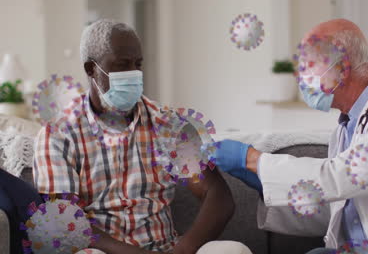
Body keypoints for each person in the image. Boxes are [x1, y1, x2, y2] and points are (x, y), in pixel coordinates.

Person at [214, 19, 368, 254]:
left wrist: (254, 160)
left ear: (342, 68)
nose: (300, 76)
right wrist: (262, 181)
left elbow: (340, 176)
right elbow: (336, 203)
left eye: (308, 64)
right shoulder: (347, 127)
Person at [34, 19, 251, 254]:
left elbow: (217, 195)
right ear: (91, 69)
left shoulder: (169, 124)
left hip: (166, 248)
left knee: (233, 250)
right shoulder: (57, 134)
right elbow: (66, 221)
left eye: (138, 64)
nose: (134, 73)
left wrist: (184, 249)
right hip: (103, 252)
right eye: (122, 64)